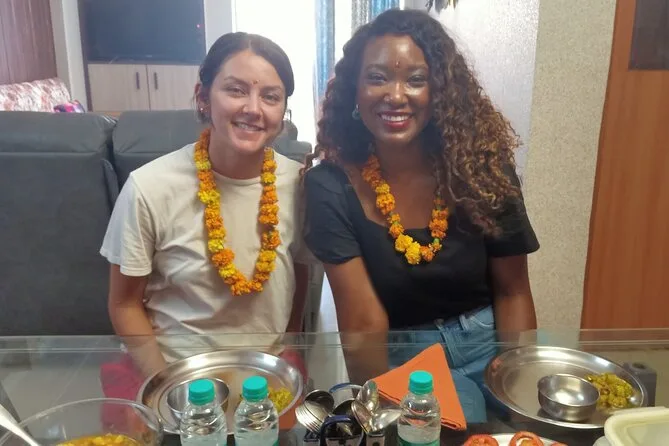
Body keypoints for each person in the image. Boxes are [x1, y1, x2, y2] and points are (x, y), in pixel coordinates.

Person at [304, 9, 539, 422]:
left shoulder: (482, 169)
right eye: (377, 77)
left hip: (490, 346)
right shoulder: (329, 185)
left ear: (440, 92)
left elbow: (513, 291)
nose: (396, 95)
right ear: (355, 90)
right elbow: (363, 323)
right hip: (404, 361)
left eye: (416, 79)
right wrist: (377, 417)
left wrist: (517, 392)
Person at [100, 32, 310, 381]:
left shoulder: (299, 185)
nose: (253, 109)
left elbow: (298, 271)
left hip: (267, 375)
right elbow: (124, 304)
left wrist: (289, 346)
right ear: (203, 97)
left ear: (283, 112)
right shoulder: (149, 187)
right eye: (236, 90)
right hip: (178, 373)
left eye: (270, 96)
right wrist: (165, 385)